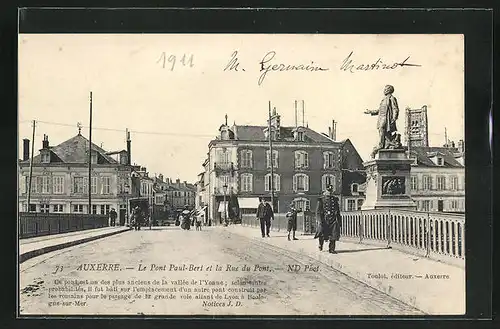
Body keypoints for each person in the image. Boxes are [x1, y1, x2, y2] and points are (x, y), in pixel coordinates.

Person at [364, 84, 401, 158]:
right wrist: (370, 112)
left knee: (382, 130)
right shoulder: (384, 100)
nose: (384, 90)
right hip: (381, 118)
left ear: (389, 90)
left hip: (387, 119)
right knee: (384, 133)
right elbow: (380, 110)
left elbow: (395, 109)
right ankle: (386, 144)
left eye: (386, 89)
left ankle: (380, 145)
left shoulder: (392, 98)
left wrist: (394, 118)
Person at [314, 185, 342, 253]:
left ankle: (332, 249)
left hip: (333, 219)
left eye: (331, 191)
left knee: (333, 234)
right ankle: (321, 244)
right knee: (322, 233)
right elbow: (318, 211)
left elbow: (337, 211)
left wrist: (339, 221)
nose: (329, 193)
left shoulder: (335, 200)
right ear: (325, 191)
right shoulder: (321, 199)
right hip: (324, 219)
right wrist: (319, 220)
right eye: (328, 191)